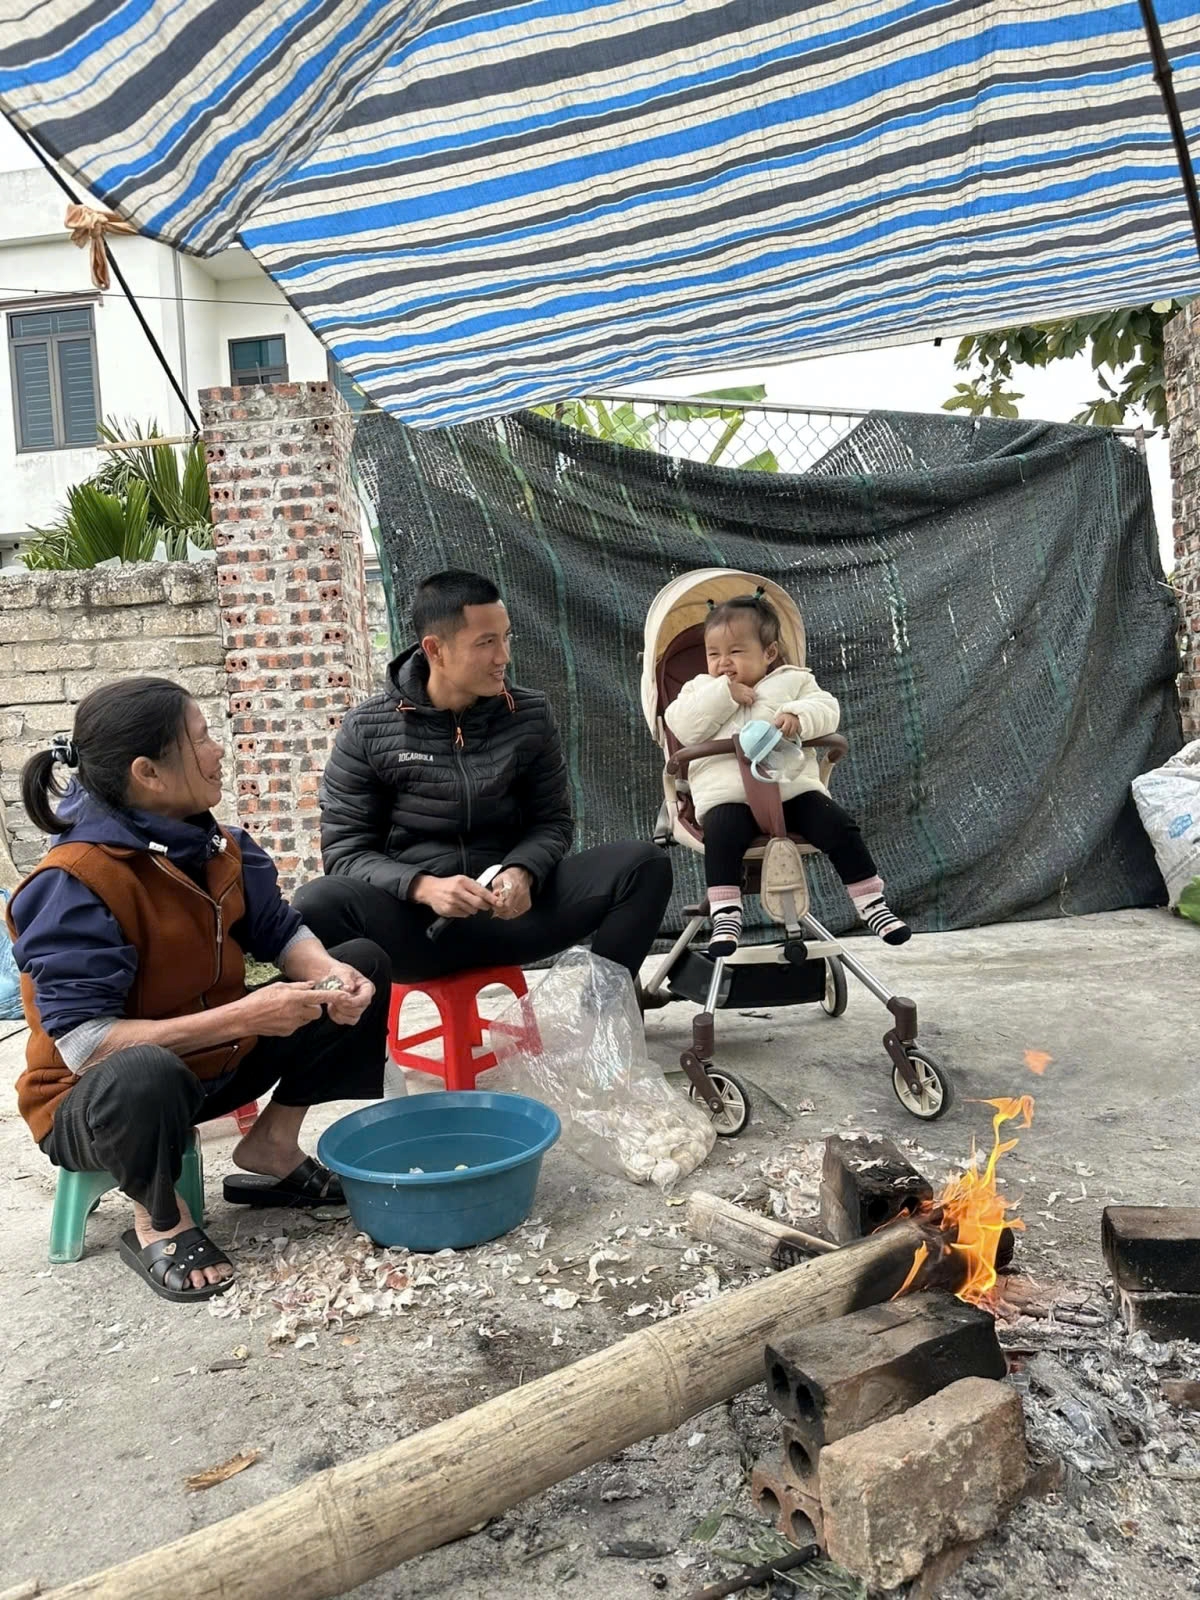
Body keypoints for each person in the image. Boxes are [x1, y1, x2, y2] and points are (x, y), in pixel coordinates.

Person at [9, 678, 391, 1304]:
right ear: (148, 773)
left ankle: (271, 1145)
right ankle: (159, 1218)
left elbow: (279, 929)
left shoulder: (215, 847)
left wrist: (325, 972)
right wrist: (248, 1014)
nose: (218, 753)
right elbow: (85, 1046)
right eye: (202, 739)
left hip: (207, 1070)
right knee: (143, 1072)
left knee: (360, 962)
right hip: (98, 1106)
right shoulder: (75, 883)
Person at [293, 570, 673, 985]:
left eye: (506, 637)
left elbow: (553, 822)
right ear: (435, 649)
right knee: (317, 902)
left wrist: (522, 870)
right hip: (415, 930)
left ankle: (601, 1019)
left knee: (644, 864)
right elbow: (345, 853)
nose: (503, 657)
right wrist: (423, 887)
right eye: (486, 643)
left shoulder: (528, 714)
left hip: (515, 915)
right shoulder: (367, 728)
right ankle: (357, 1038)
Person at [664, 592, 910, 959]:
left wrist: (799, 716)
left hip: (790, 789)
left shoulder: (794, 681)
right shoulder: (699, 689)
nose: (723, 663)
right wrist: (724, 695)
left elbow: (828, 709)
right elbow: (682, 726)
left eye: (736, 652)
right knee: (723, 835)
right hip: (727, 793)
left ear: (769, 653)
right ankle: (727, 912)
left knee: (837, 825)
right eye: (714, 654)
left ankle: (870, 900)